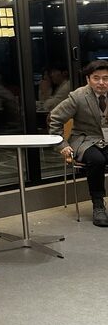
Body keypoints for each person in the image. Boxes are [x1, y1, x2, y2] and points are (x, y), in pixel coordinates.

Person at [49, 60, 108, 227]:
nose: (101, 82)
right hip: (84, 140)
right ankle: (98, 205)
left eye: (105, 78)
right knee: (97, 160)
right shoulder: (78, 96)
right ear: (88, 79)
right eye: (96, 78)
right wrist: (62, 145)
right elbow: (55, 119)